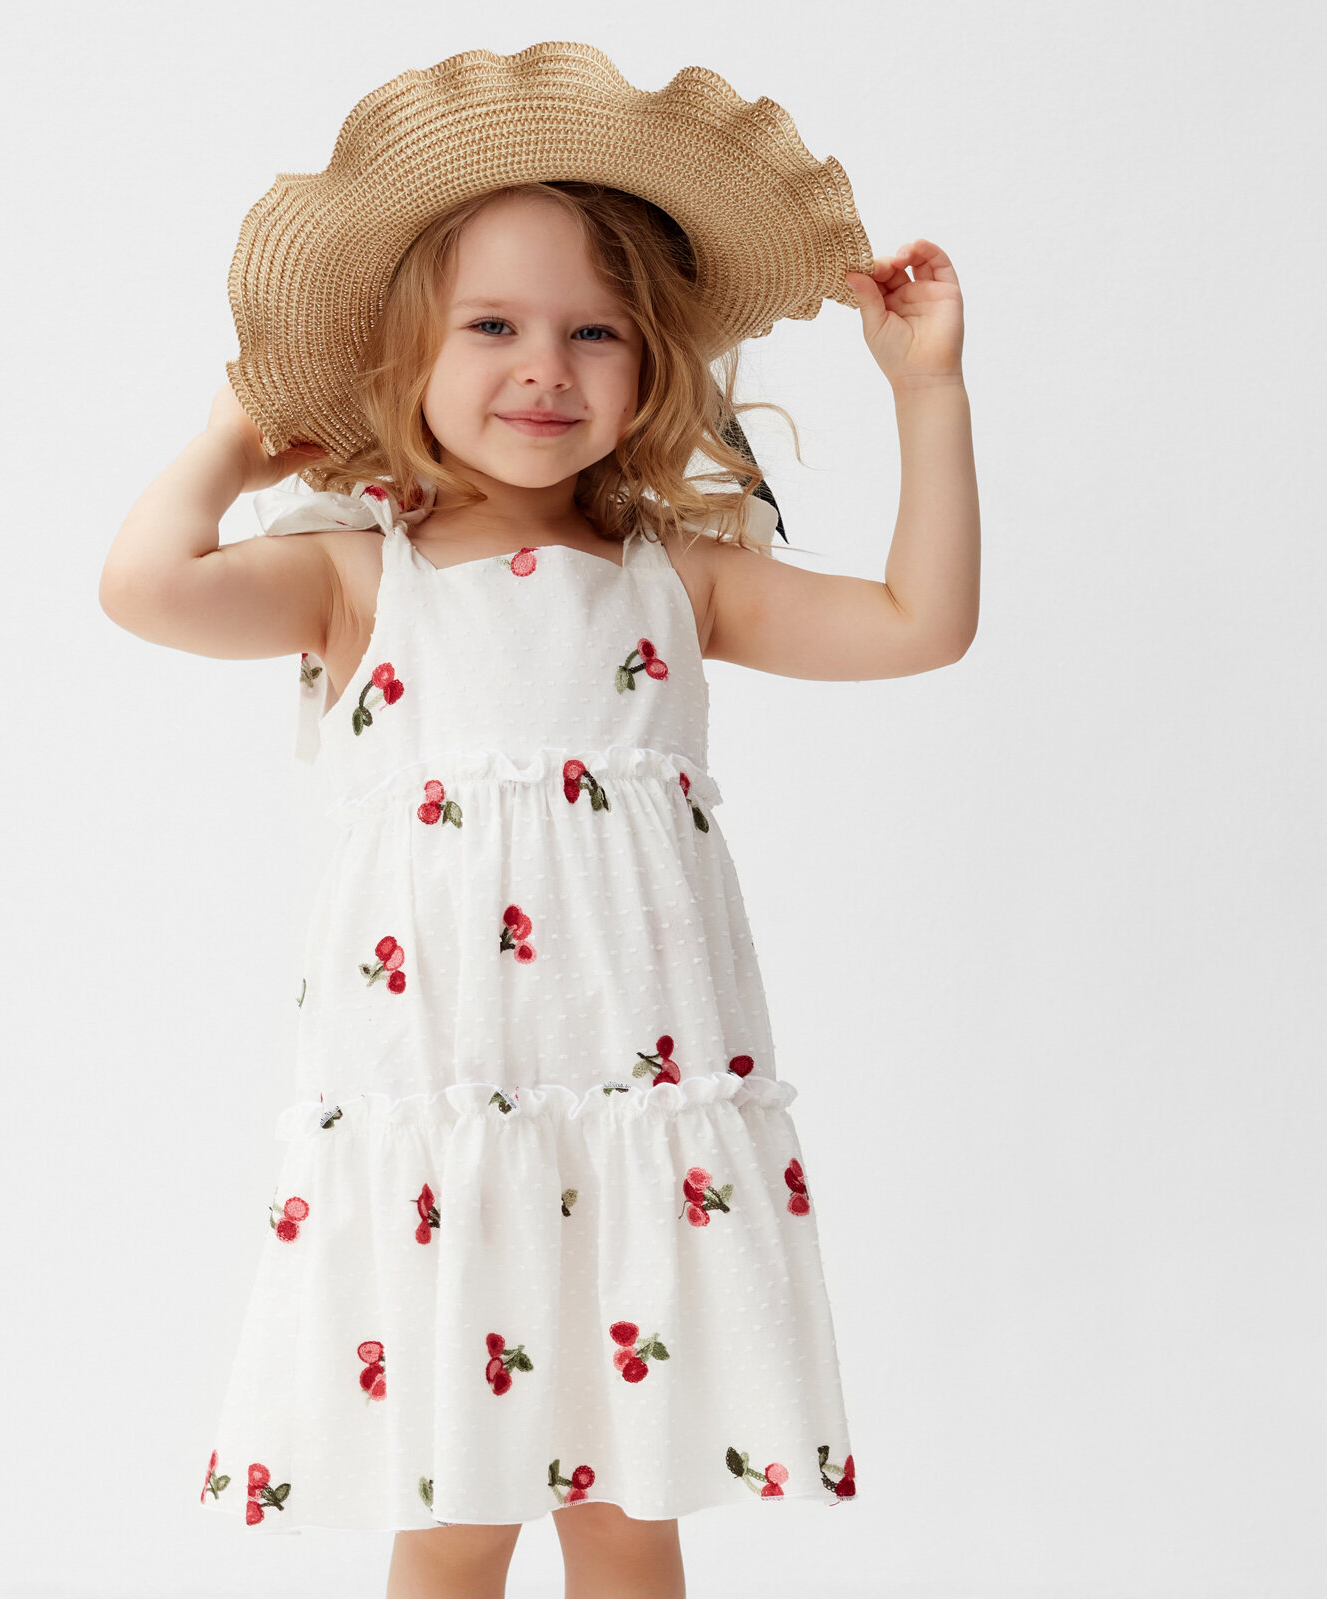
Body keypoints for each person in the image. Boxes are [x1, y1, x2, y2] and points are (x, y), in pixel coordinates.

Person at [99, 43, 977, 1600]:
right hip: (451, 1123)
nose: (545, 368)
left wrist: (927, 391)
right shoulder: (360, 576)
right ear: (406, 357)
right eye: (491, 326)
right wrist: (232, 441)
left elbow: (923, 623)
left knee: (630, 1513)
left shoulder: (675, 580)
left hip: (635, 1123)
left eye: (594, 332)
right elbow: (146, 589)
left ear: (652, 366)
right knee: (452, 1521)